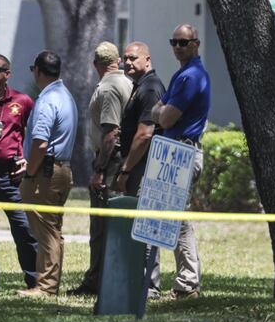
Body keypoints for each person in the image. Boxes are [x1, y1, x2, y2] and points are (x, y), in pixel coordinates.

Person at [151, 23, 211, 299]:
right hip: (171, 150)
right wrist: (161, 110)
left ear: (196, 44)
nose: (177, 47)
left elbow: (163, 117)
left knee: (177, 218)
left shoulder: (193, 77)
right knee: (164, 217)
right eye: (173, 42)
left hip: (183, 151)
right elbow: (157, 110)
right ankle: (166, 282)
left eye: (183, 42)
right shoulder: (181, 75)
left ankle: (188, 283)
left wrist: (162, 111)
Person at [68, 42, 133, 296]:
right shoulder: (127, 83)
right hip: (122, 161)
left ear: (96, 65)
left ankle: (97, 281)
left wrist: (99, 169)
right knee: (116, 224)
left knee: (101, 225)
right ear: (117, 60)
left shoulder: (108, 88)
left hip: (110, 162)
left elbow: (111, 131)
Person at [0, 53, 38, 291]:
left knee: (24, 228)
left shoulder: (22, 102)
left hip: (13, 176)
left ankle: (34, 279)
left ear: (6, 74)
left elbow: (35, 134)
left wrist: (28, 160)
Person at [17, 51, 77, 297]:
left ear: (38, 71)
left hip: (46, 173)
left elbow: (40, 143)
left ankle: (46, 287)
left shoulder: (46, 100)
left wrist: (30, 173)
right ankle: (48, 282)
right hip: (61, 169)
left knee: (46, 231)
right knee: (52, 229)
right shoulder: (66, 96)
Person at [116, 41, 166, 298]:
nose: (127, 62)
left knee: (146, 226)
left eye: (133, 58)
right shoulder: (140, 87)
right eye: (125, 58)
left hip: (144, 168)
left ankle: (150, 286)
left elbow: (145, 134)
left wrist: (125, 169)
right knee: (139, 226)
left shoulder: (150, 88)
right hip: (138, 166)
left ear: (147, 60)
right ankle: (141, 280)